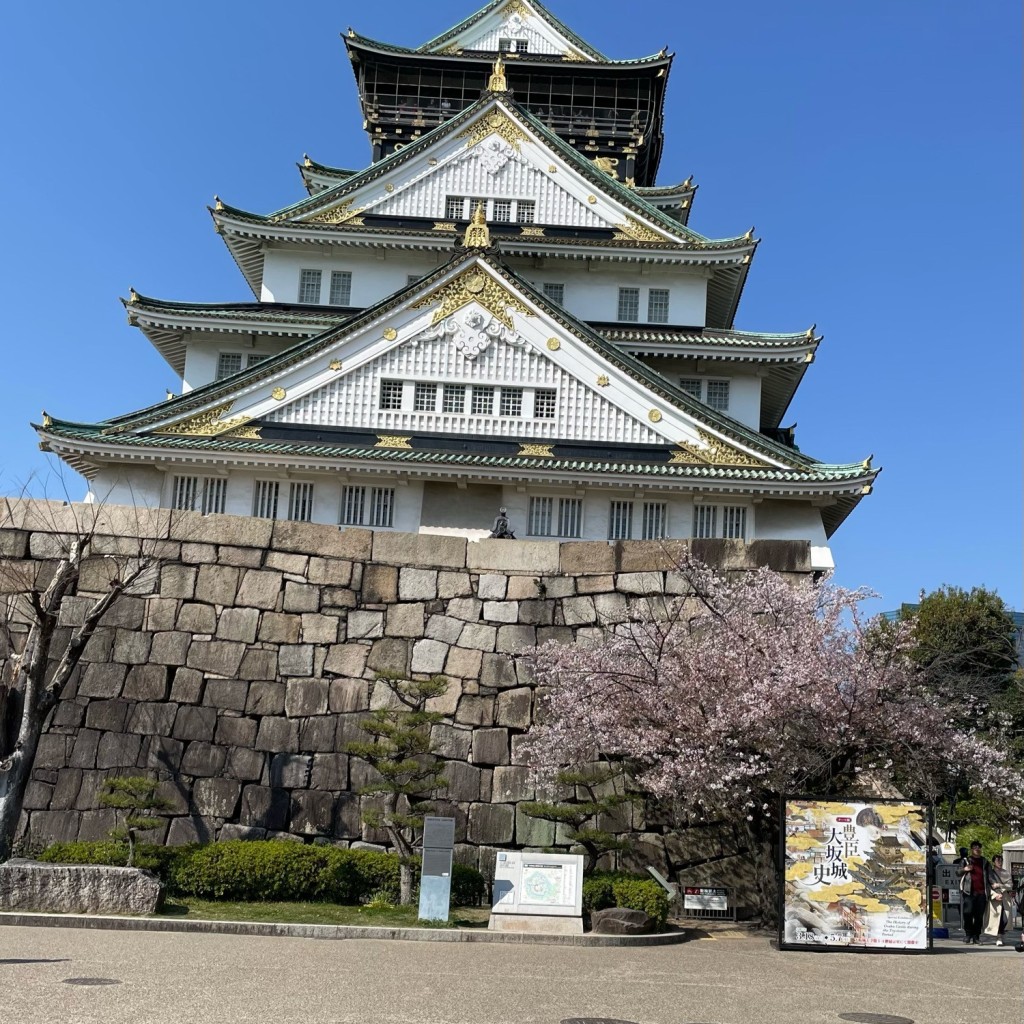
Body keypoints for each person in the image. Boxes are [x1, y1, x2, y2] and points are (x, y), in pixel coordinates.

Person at [959, 841, 995, 944]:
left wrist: (993, 884)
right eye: (975, 847)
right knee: (968, 913)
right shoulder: (966, 860)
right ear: (971, 849)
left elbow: (990, 875)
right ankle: (968, 934)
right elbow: (957, 872)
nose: (977, 849)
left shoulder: (985, 862)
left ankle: (976, 936)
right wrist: (964, 869)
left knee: (979, 916)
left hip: (981, 892)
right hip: (968, 891)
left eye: (979, 847)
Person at [985, 854, 1013, 946]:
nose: (1000, 863)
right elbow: (988, 887)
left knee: (1005, 919)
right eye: (997, 861)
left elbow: (1010, 885)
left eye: (1001, 861)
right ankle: (999, 937)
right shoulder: (990, 874)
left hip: (1005, 898)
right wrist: (994, 895)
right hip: (995, 899)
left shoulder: (1006, 873)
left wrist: (1000, 885)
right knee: (998, 919)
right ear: (994, 862)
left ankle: (1001, 934)